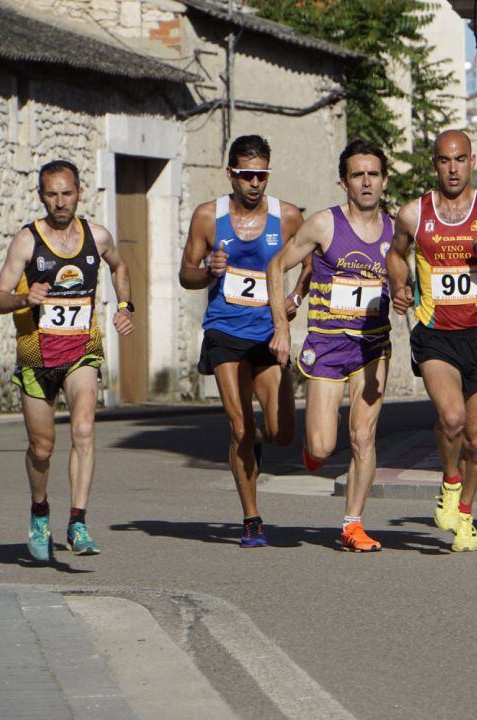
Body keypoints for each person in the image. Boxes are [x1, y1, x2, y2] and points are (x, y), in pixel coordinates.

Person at [0, 160, 134, 562]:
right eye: (51, 194)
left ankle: (78, 522)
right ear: (41, 196)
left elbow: (120, 267)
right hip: (36, 352)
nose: (59, 202)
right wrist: (22, 298)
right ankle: (39, 511)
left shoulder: (97, 236)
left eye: (66, 193)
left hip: (80, 349)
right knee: (41, 448)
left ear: (79, 193)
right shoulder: (27, 240)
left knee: (84, 429)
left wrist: (125, 306)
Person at [387, 129, 477, 552]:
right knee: (451, 418)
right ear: (435, 164)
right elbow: (395, 253)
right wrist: (400, 283)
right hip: (435, 334)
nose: (453, 168)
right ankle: (449, 481)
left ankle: (465, 513)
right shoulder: (413, 214)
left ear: (471, 163)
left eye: (461, 159)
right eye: (445, 160)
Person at [267, 139, 393, 552]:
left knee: (364, 436)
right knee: (323, 444)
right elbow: (276, 266)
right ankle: (313, 446)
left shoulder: (396, 231)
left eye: (373, 174)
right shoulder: (324, 224)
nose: (366, 182)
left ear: (384, 180)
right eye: (358, 175)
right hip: (327, 345)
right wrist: (282, 328)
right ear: (344, 182)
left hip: (372, 346)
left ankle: (353, 524)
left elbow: (410, 279)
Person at [180, 135, 303, 547]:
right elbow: (186, 274)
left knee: (282, 432)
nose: (254, 183)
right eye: (246, 175)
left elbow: (313, 259)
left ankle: (255, 446)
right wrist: (209, 272)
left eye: (261, 175)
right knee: (240, 428)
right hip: (224, 330)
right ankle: (252, 519)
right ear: (231, 173)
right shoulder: (206, 217)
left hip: (268, 333)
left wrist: (295, 297)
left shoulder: (285, 217)